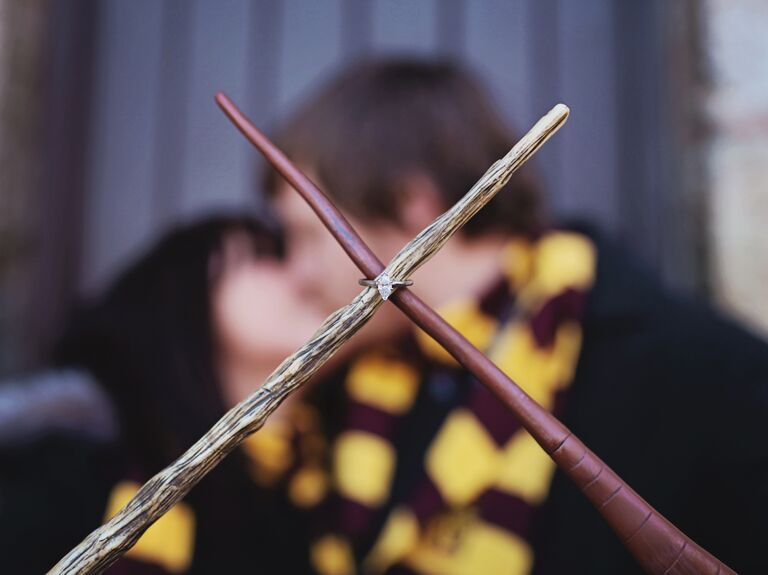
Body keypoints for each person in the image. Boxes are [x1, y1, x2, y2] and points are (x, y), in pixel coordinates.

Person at [254, 58, 768, 574]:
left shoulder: (700, 372)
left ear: (411, 201)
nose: (296, 273)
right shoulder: (350, 394)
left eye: (306, 235)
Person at [0, 214, 330, 573]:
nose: (303, 274)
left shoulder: (319, 484)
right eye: (263, 255)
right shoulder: (77, 469)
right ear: (187, 301)